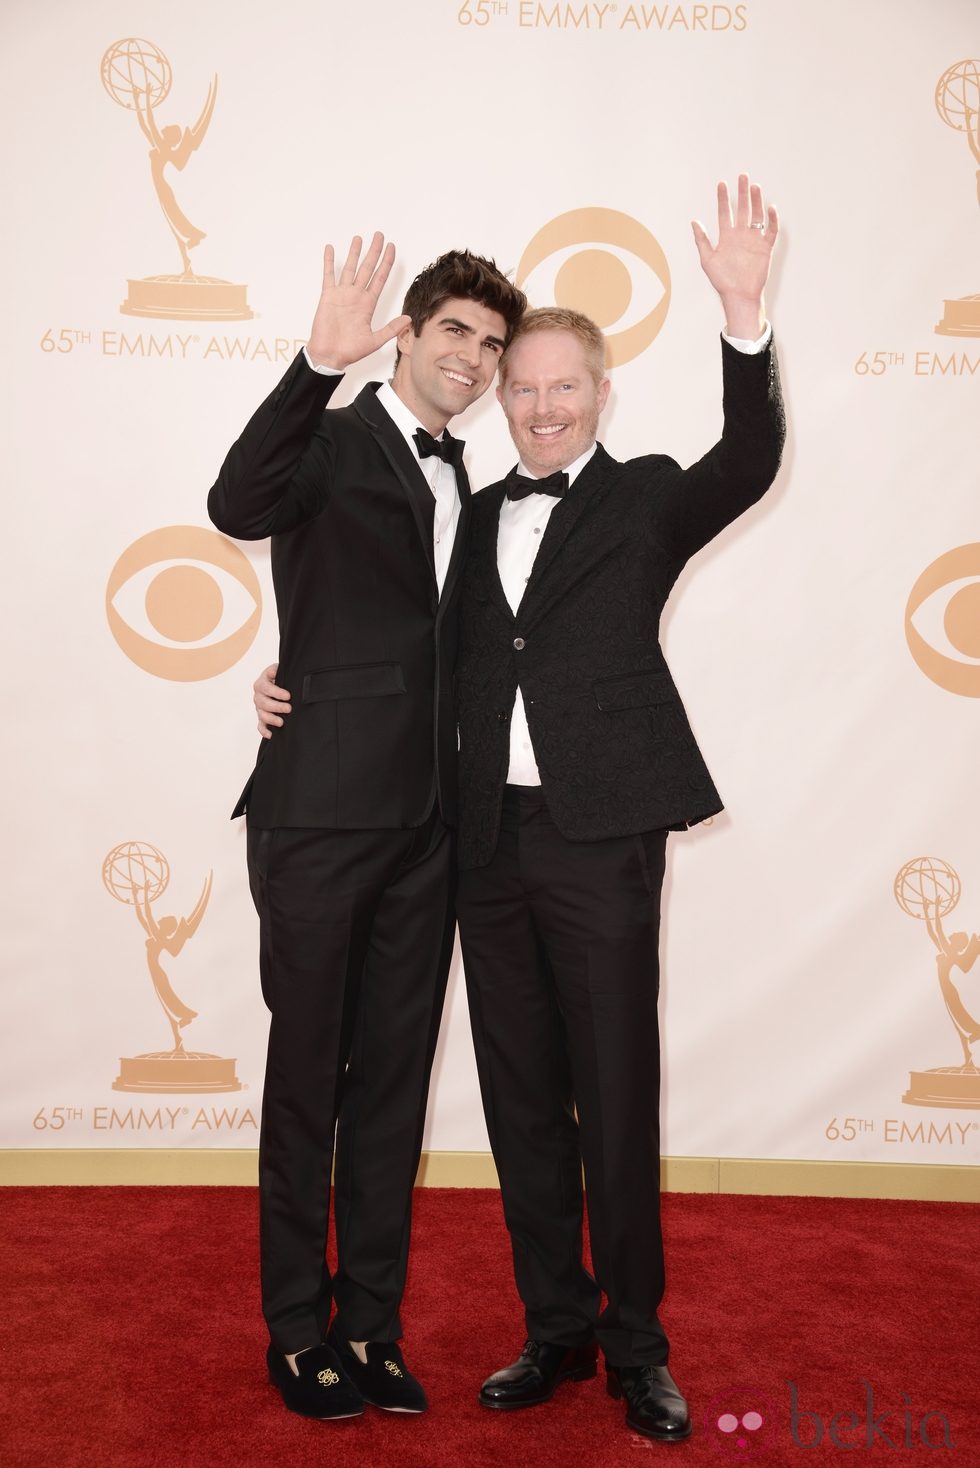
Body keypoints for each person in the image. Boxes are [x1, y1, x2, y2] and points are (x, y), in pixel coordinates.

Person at [253, 175, 785, 1442]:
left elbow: (752, 458)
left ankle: (633, 1346)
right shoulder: (466, 511)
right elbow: (395, 639)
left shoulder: (647, 495)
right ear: (496, 393)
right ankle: (551, 1328)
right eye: (520, 385)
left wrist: (744, 318)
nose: (539, 404)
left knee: (614, 1091)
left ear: (599, 397)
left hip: (601, 842)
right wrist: (291, 677)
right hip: (478, 846)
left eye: (562, 386)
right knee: (515, 1097)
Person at [208, 235, 526, 1422]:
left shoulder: (480, 489)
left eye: (492, 344)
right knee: (306, 1077)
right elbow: (234, 503)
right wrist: (311, 365)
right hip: (320, 815)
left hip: (430, 829)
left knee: (392, 1083)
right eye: (455, 331)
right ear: (406, 332)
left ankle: (370, 1325)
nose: (475, 358)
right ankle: (297, 1328)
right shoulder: (332, 441)